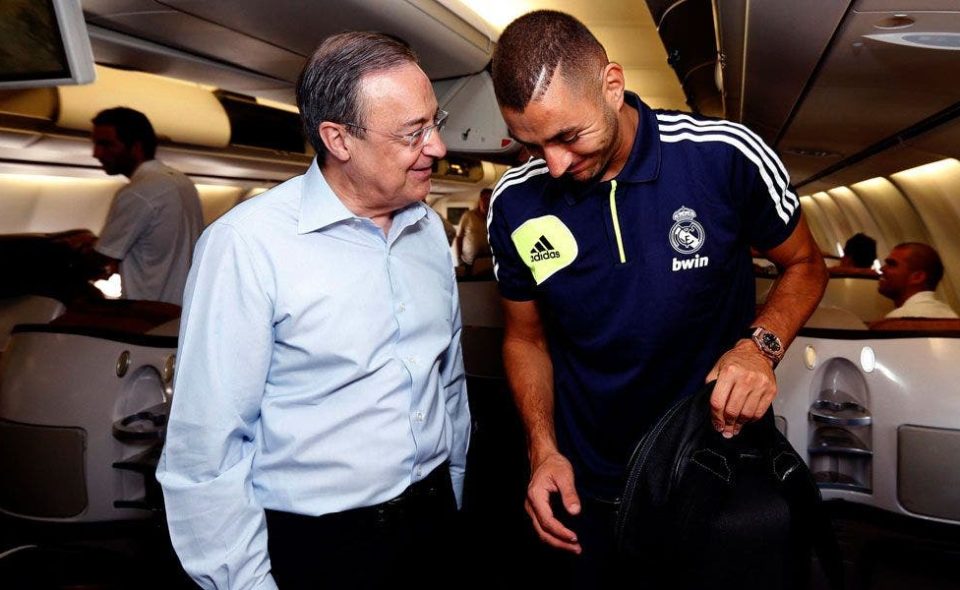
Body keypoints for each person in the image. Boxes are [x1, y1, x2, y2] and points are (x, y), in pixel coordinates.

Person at [486, 10, 828, 585]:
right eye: (533, 145)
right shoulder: (515, 203)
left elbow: (806, 265)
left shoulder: (723, 156)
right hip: (586, 483)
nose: (555, 165)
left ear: (612, 84)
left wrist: (759, 347)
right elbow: (526, 339)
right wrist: (542, 450)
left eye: (568, 136)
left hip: (711, 469)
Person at [156, 32, 470, 590]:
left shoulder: (427, 231)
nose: (439, 147)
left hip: (433, 518)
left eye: (435, 122)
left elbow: (448, 382)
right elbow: (207, 449)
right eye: (413, 133)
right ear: (338, 139)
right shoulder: (247, 246)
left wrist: (454, 487)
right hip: (324, 544)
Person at [88, 107, 203, 304]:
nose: (96, 153)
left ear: (136, 146)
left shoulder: (138, 192)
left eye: (106, 144)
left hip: (147, 312)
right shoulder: (182, 182)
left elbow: (101, 260)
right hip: (181, 309)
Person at [879, 242, 958, 318]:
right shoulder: (951, 315)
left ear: (918, 277)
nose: (882, 269)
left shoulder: (899, 318)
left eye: (891, 264)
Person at [455, 187, 493, 275]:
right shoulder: (468, 216)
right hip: (468, 262)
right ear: (480, 200)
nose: (487, 203)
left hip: (488, 261)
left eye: (490, 200)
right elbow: (459, 238)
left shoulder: (495, 218)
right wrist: (459, 259)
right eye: (485, 199)